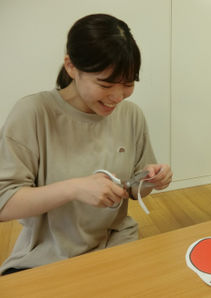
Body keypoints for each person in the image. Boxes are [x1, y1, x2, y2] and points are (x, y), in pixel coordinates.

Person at [0, 14, 172, 275]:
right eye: (105, 84)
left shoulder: (131, 114)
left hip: (116, 244)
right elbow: (4, 202)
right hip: (46, 257)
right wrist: (74, 188)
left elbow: (136, 190)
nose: (117, 97)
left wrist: (151, 179)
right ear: (71, 66)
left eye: (128, 84)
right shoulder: (33, 113)